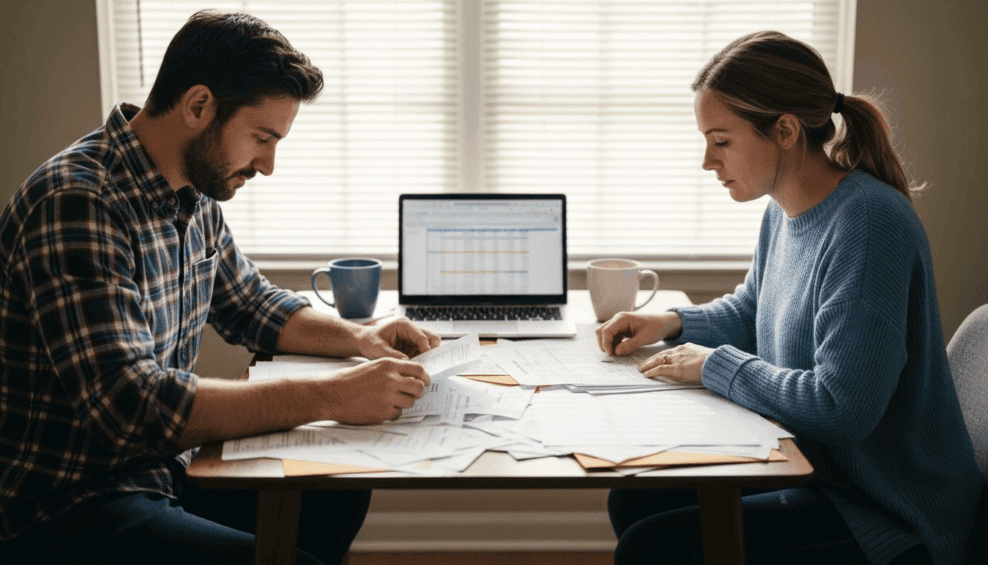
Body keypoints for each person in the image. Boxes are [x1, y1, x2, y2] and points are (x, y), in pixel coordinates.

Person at [0, 10, 440, 565]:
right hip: (67, 504)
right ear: (198, 106)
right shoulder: (78, 203)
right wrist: (333, 396)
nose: (269, 164)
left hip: (160, 473)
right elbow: (133, 407)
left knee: (336, 489)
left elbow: (253, 306)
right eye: (262, 137)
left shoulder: (193, 190)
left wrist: (363, 338)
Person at [597, 31, 983, 565]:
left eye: (721, 140)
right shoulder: (783, 211)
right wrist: (667, 322)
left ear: (784, 131)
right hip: (822, 473)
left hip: (887, 513)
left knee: (653, 548)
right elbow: (754, 310)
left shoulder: (869, 226)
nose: (707, 161)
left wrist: (714, 366)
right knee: (632, 501)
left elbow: (840, 407)